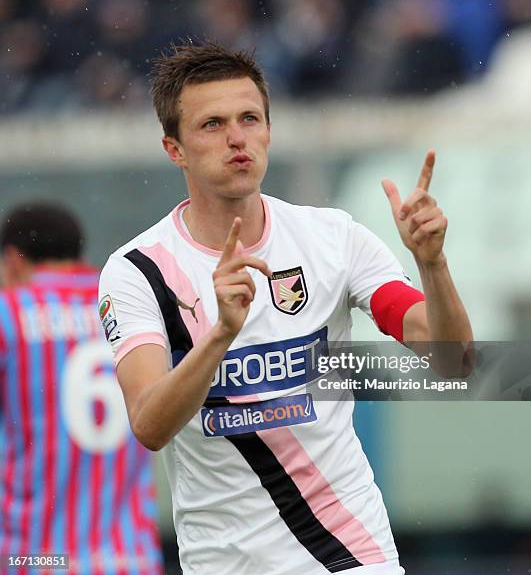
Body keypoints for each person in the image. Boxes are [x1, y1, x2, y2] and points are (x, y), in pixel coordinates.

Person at [99, 42, 472, 575]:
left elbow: (454, 361)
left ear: (269, 130)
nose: (236, 138)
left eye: (250, 118)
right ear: (174, 149)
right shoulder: (138, 270)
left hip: (351, 555)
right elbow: (149, 424)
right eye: (212, 125)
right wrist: (221, 335)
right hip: (226, 563)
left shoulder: (332, 238)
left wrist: (433, 264)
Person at [0, 202, 163, 575]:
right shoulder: (130, 306)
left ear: (12, 260)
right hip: (132, 559)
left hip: (34, 561)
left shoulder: (8, 314)